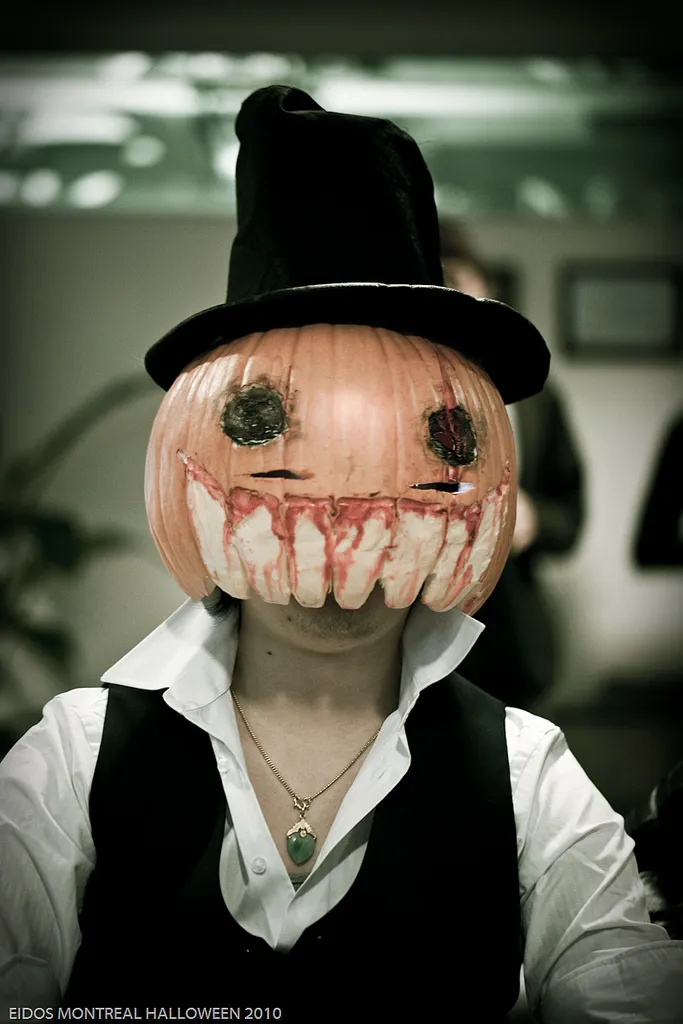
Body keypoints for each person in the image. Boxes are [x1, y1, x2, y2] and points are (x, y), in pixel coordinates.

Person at [1, 85, 682, 1023]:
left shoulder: (528, 778)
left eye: (438, 439)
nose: (341, 519)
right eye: (267, 428)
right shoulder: (72, 762)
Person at [440, 219, 585, 708]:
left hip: (513, 636)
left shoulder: (537, 398)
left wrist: (534, 520)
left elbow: (571, 513)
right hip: (411, 629)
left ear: (484, 285)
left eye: (459, 281)